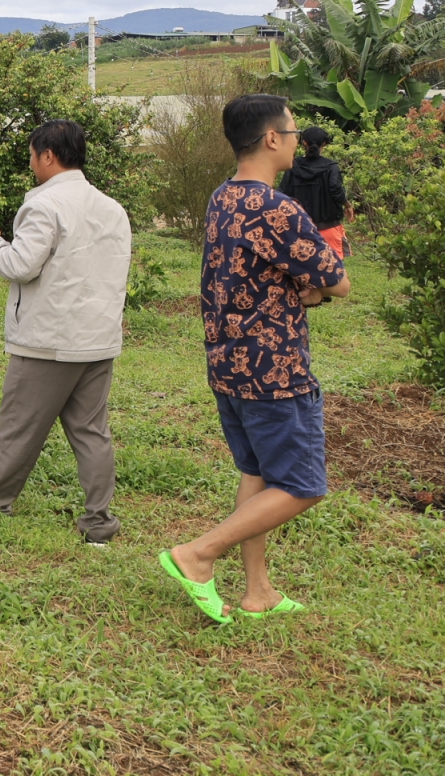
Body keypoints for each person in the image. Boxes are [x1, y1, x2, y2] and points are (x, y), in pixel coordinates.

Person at [160, 94, 350, 623]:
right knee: (303, 485)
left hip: (228, 362)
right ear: (271, 138)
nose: (294, 138)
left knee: (258, 471)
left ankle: (258, 590)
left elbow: (254, 272)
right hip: (275, 368)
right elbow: (339, 282)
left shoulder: (223, 197)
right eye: (290, 130)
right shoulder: (278, 208)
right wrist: (310, 290)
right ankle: (197, 555)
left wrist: (300, 288)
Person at [0, 120, 132, 545]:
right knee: (91, 432)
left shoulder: (44, 205)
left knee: (18, 427)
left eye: (33, 155)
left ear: (48, 155)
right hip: (98, 338)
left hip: (48, 341)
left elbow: (19, 265)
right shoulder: (111, 207)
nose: (32, 163)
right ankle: (100, 524)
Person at [280, 126, 349, 260]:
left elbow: (283, 194)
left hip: (299, 231)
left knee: (301, 275)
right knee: (332, 276)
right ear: (324, 144)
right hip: (328, 229)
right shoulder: (331, 167)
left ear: (304, 142)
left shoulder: (293, 166)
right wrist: (347, 205)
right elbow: (336, 190)